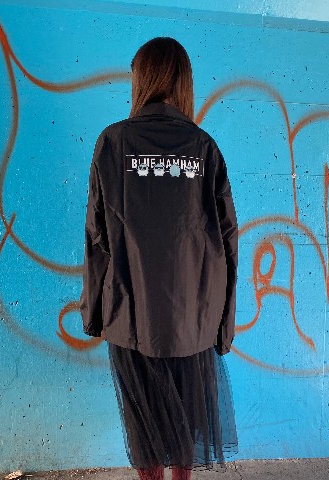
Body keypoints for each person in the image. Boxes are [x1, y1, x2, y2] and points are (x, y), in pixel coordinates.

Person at [80, 36, 239, 480]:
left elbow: (97, 239)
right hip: (195, 322)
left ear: (141, 81)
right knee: (187, 437)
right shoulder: (205, 149)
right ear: (184, 82)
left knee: (145, 438)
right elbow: (228, 243)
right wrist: (223, 328)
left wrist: (94, 315)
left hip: (131, 320)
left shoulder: (112, 144)